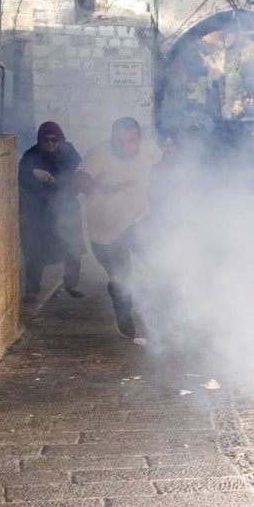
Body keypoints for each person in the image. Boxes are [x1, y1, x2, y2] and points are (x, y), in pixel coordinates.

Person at [73, 116, 163, 344]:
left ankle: (178, 316)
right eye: (118, 141)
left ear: (139, 139)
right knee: (121, 277)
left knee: (162, 263)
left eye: (129, 141)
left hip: (138, 220)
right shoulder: (99, 154)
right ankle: (124, 316)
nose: (123, 146)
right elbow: (79, 182)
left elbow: (162, 164)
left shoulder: (148, 148)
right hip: (106, 232)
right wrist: (106, 189)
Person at [18, 121, 86, 303]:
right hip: (39, 210)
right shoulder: (31, 155)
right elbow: (19, 174)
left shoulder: (69, 152)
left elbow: (78, 173)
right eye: (45, 140)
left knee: (72, 246)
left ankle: (72, 283)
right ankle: (32, 290)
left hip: (66, 205)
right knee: (34, 250)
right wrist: (34, 172)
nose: (50, 144)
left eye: (54, 140)